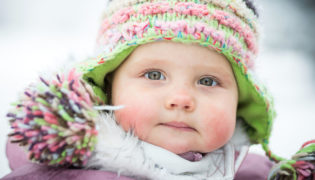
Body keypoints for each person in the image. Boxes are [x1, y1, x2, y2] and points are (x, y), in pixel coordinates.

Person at [3, 0, 314, 179]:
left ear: (241, 101)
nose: (181, 99)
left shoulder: (252, 173)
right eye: (154, 74)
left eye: (208, 81)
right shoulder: (59, 173)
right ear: (109, 86)